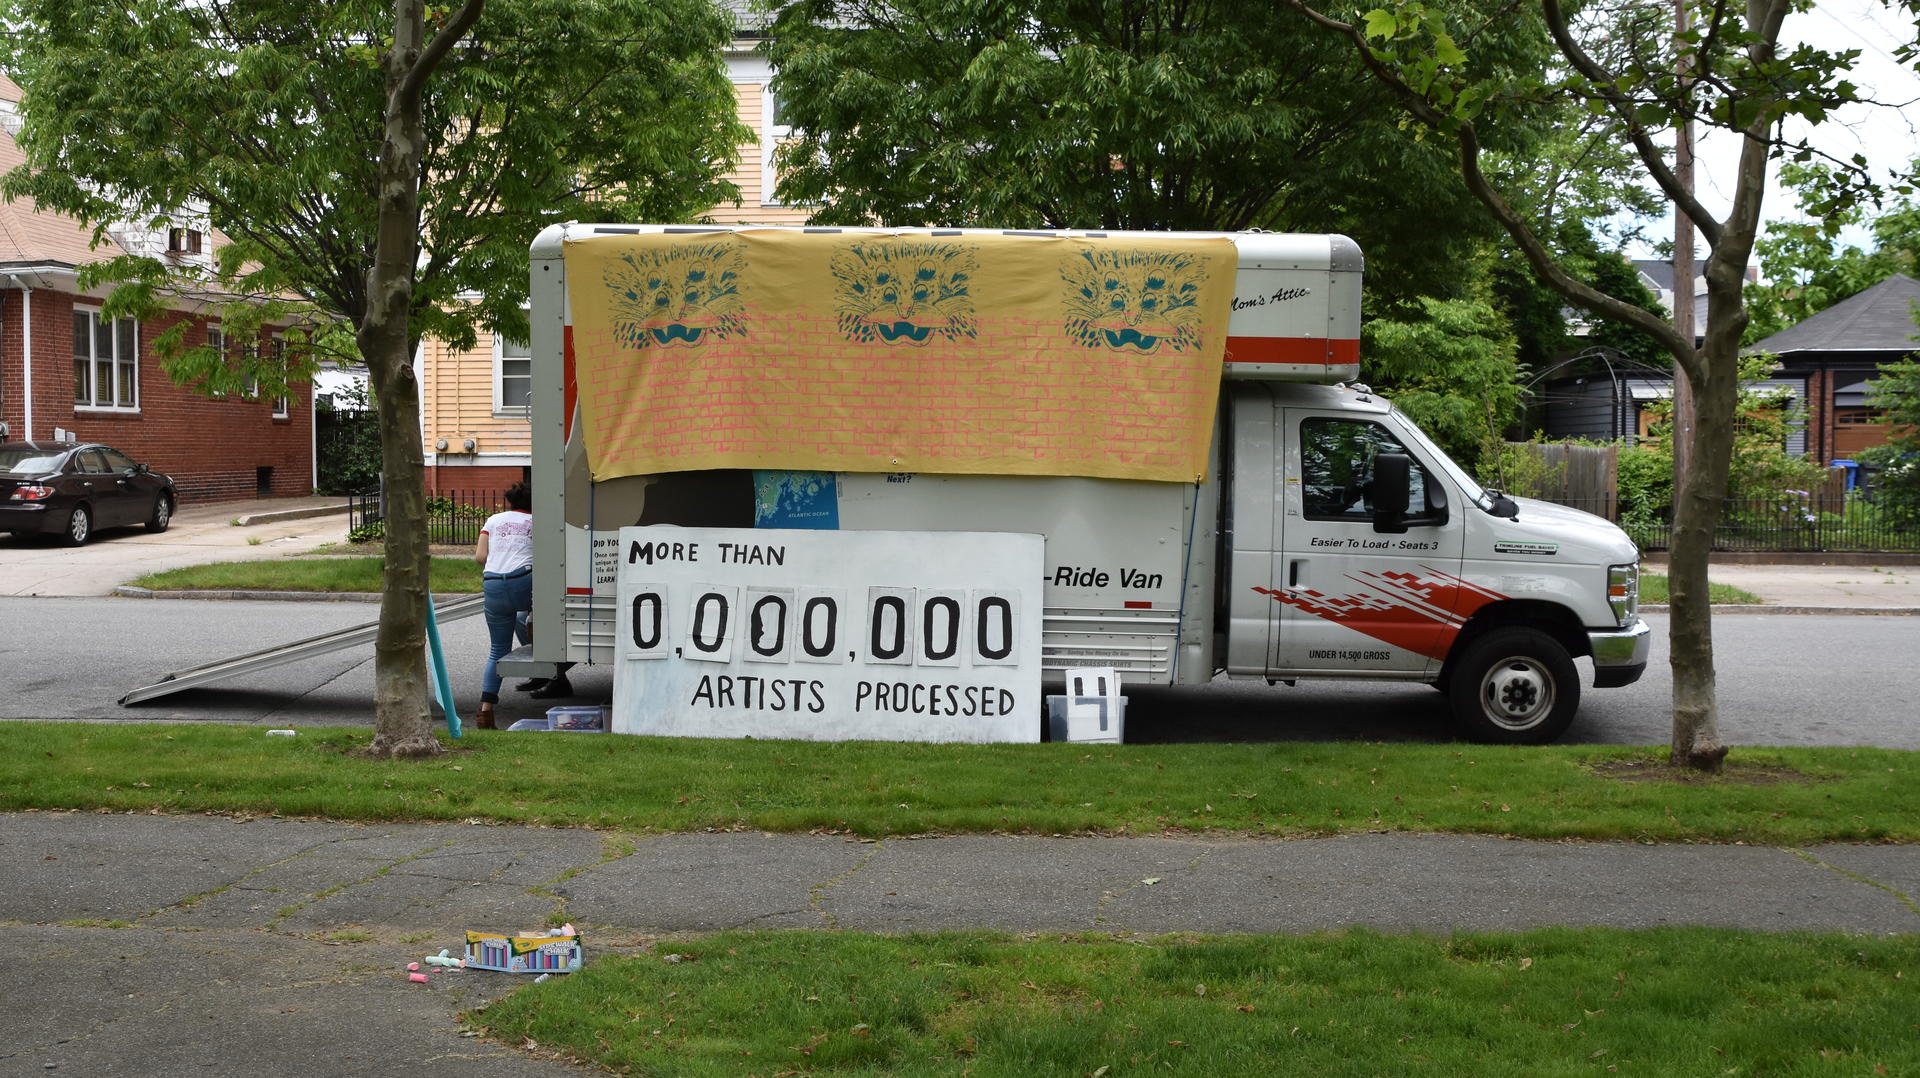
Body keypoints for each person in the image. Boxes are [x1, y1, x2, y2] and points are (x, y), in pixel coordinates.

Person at [473, 482, 534, 729]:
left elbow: (480, 557)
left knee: (497, 650)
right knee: (533, 612)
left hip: (493, 583)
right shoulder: (536, 521)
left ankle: (485, 712)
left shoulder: (493, 520)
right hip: (525, 581)